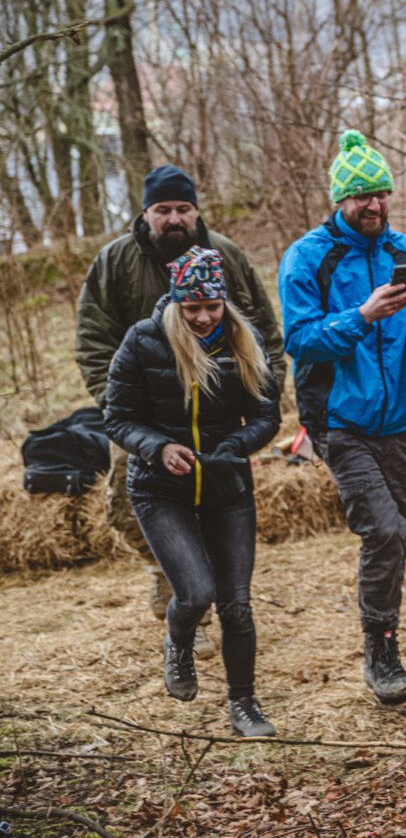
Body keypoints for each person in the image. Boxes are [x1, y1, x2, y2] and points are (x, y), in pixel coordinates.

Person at [76, 165, 285, 657]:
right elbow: (91, 338)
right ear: (146, 212)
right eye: (163, 209)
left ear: (196, 211)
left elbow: (263, 330)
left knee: (215, 502)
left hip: (216, 414)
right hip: (140, 416)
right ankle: (171, 580)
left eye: (183, 209)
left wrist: (265, 395)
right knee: (132, 511)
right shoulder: (115, 261)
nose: (174, 218)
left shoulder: (227, 256)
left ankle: (203, 603)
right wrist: (118, 409)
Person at [278, 130, 406, 706]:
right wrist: (361, 315)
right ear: (339, 200)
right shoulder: (307, 257)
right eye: (362, 197)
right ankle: (381, 657)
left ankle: (385, 634)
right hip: (337, 419)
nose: (374, 206)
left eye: (382, 195)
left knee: (404, 539)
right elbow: (299, 340)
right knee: (384, 530)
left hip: (397, 418)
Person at [102, 247, 282, 736]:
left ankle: (243, 704)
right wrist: (158, 447)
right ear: (176, 303)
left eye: (212, 307)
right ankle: (178, 640)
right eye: (192, 309)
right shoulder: (143, 341)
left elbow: (268, 416)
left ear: (225, 302)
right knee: (197, 592)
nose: (204, 318)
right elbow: (116, 417)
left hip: (227, 486)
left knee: (237, 605)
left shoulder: (245, 340)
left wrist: (236, 445)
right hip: (161, 489)